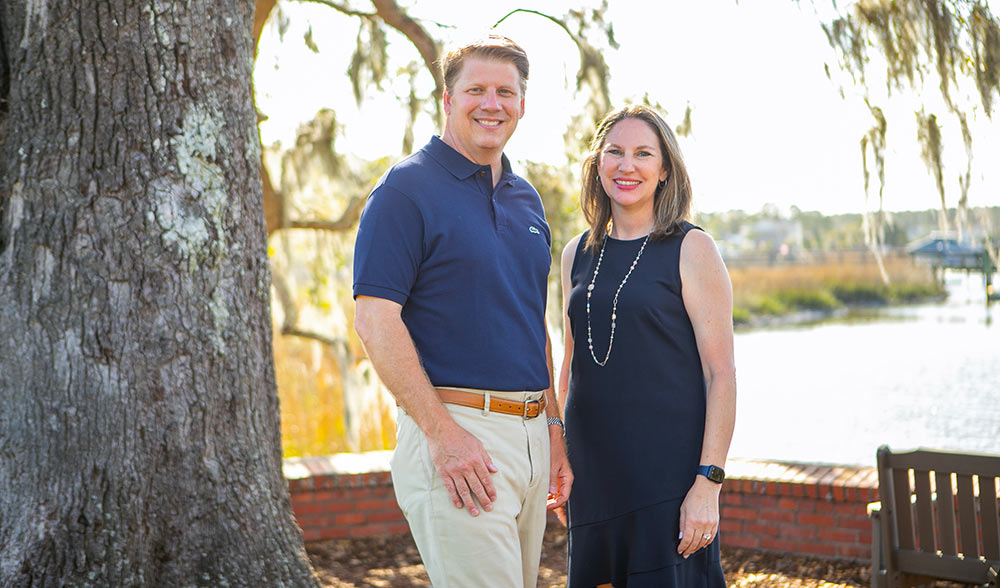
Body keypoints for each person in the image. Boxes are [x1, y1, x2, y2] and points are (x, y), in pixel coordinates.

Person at [353, 35, 573, 588]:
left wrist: (552, 428)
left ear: (523, 104)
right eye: (476, 89)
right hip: (458, 433)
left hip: (528, 437)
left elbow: (531, 324)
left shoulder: (526, 198)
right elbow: (375, 318)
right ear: (447, 99)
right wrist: (443, 435)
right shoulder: (405, 190)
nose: (491, 103)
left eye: (506, 91)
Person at [557, 104, 737, 587]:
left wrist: (708, 483)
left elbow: (720, 374)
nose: (626, 165)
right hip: (592, 478)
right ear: (598, 164)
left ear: (663, 170)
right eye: (614, 152)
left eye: (642, 154)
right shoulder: (575, 253)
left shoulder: (692, 247)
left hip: (668, 482)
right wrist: (559, 455)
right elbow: (570, 363)